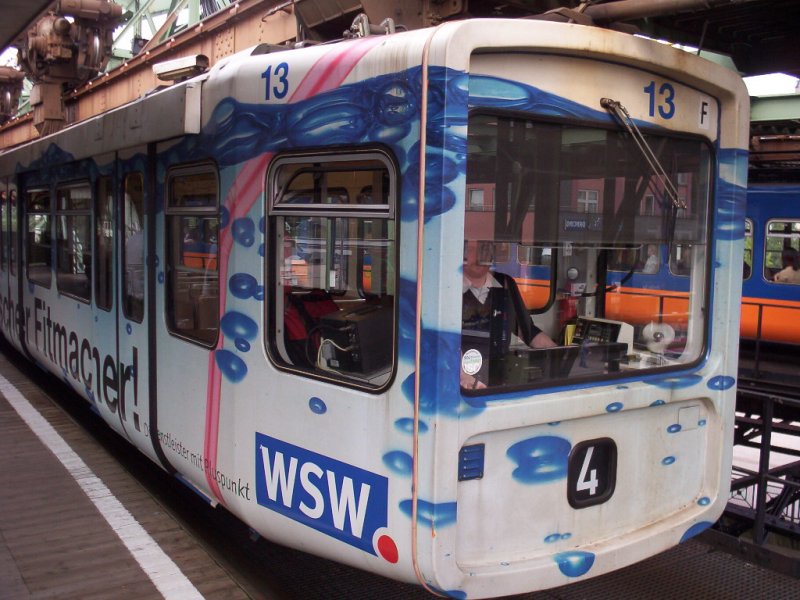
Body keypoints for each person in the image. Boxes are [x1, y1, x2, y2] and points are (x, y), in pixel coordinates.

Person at [461, 240, 556, 389]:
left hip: (498, 379)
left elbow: (528, 331)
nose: (480, 257)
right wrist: (464, 378)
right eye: (472, 250)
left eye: (484, 249)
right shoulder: (448, 287)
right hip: (463, 383)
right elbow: (442, 342)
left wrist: (558, 353)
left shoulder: (505, 283)